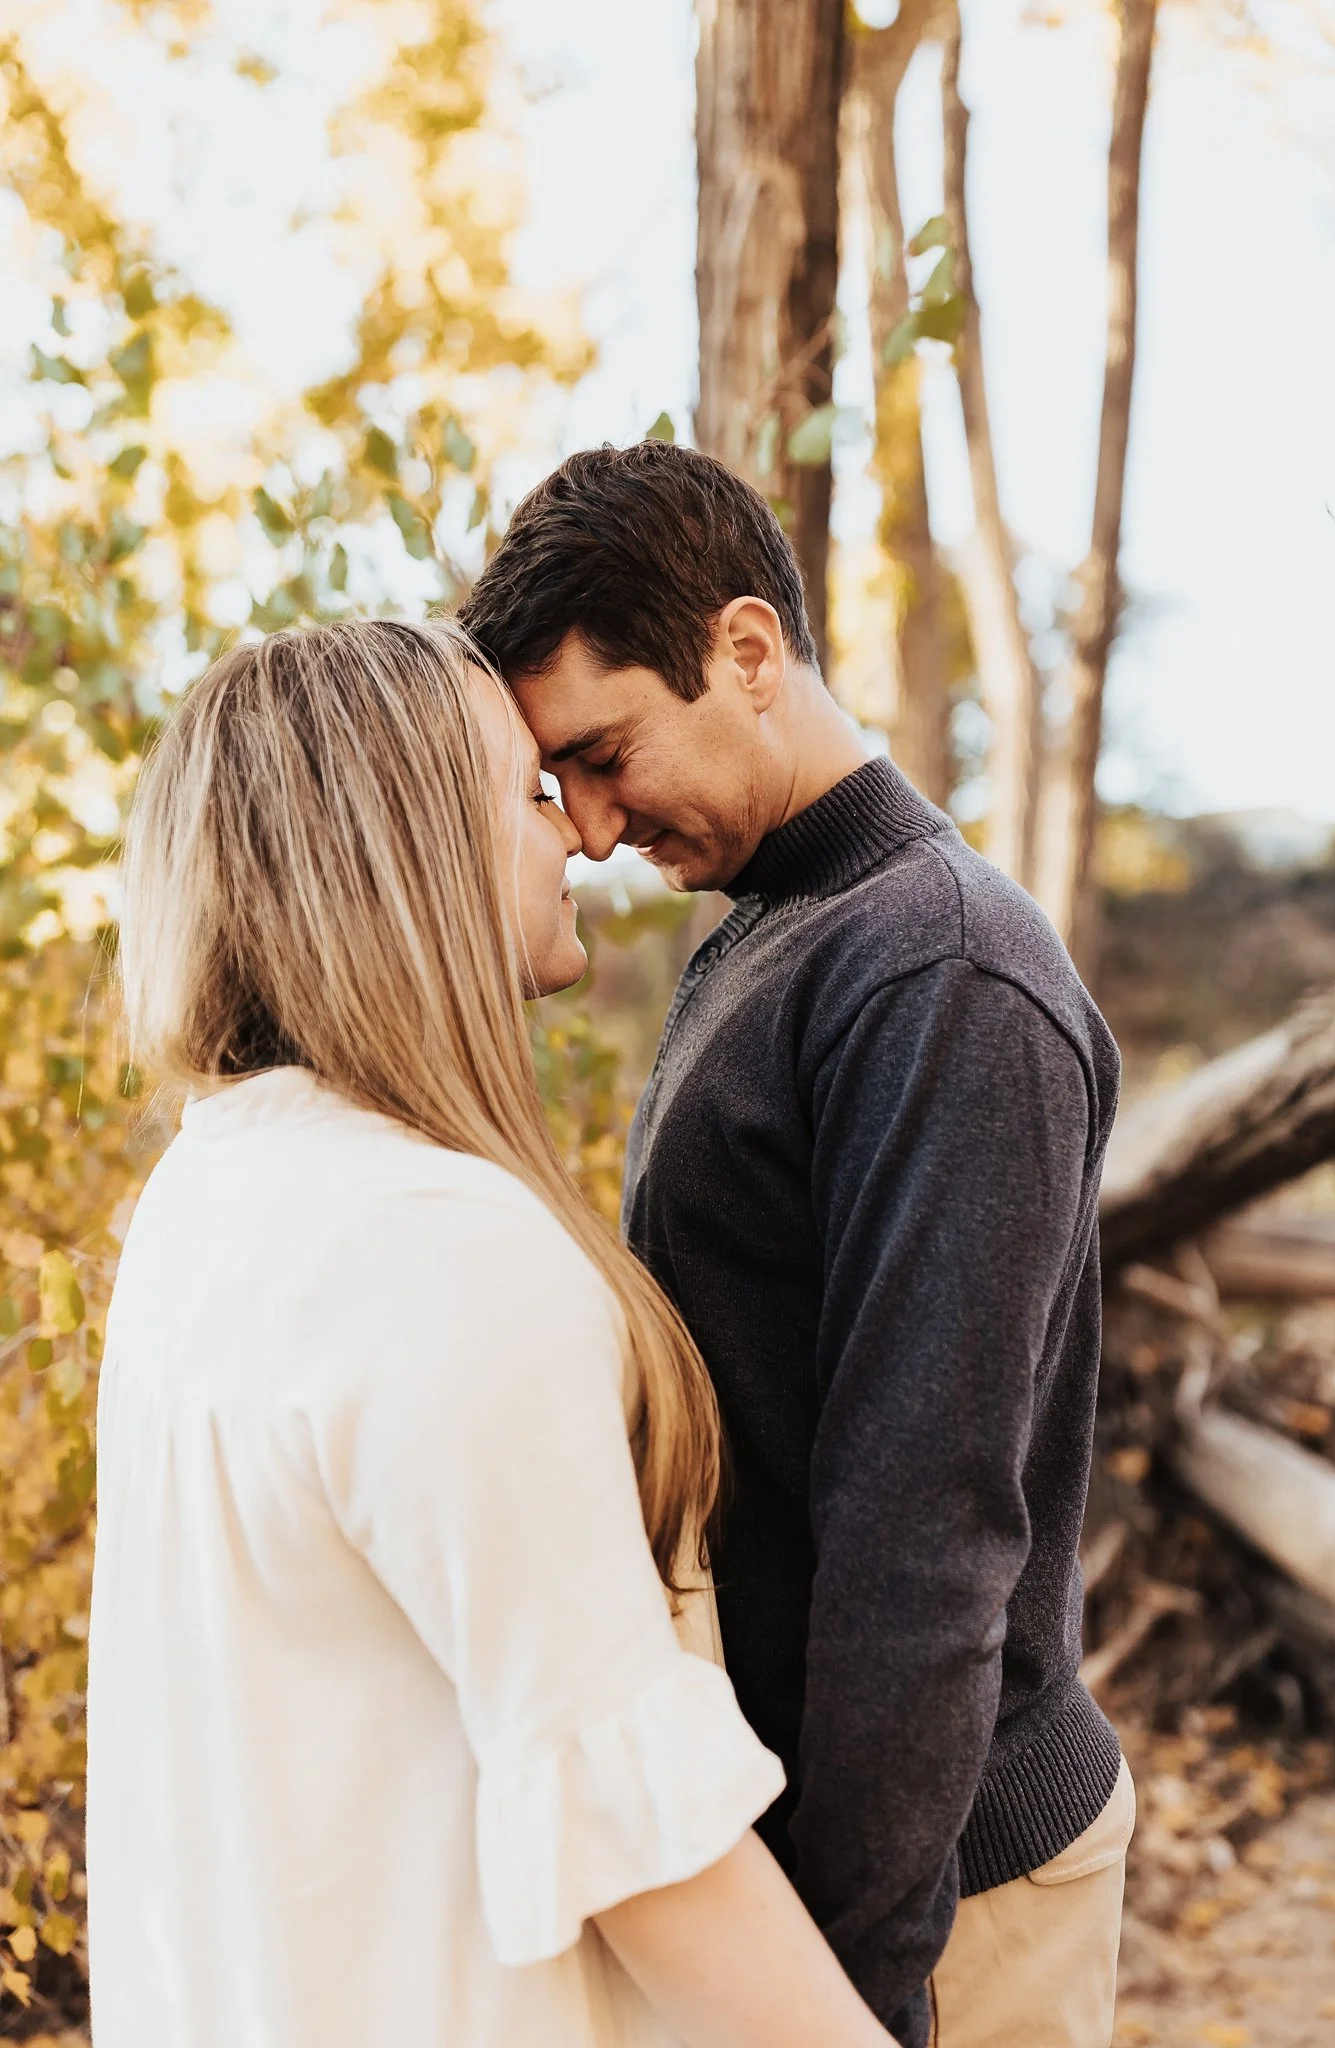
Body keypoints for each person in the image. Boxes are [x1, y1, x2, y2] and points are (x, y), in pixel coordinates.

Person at [86, 616, 899, 2048]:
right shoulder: (431, 1247)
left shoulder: (212, 1191)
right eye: (529, 793)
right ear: (407, 852)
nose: (577, 838)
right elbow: (648, 1846)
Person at [461, 440, 1135, 2048]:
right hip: (808, 1861)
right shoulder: (780, 932)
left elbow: (928, 1534)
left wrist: (856, 1986)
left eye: (609, 754)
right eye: (564, 781)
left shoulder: (942, 975)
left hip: (945, 1891)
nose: (600, 826)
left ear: (747, 653)